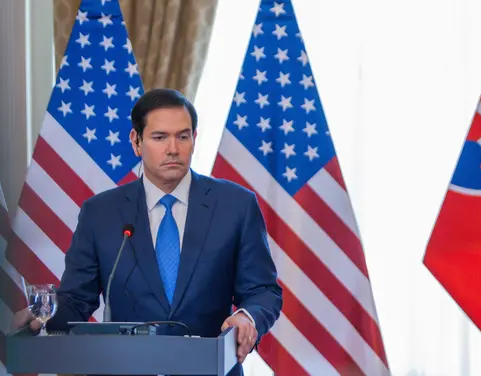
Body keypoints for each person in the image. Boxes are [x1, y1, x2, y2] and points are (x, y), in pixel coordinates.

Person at [14, 88, 282, 369]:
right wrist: (40, 316)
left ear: (194, 139)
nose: (173, 149)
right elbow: (77, 299)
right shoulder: (100, 213)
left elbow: (263, 290)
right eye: (159, 137)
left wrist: (247, 317)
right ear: (136, 141)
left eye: (183, 136)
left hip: (209, 368)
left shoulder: (236, 205)